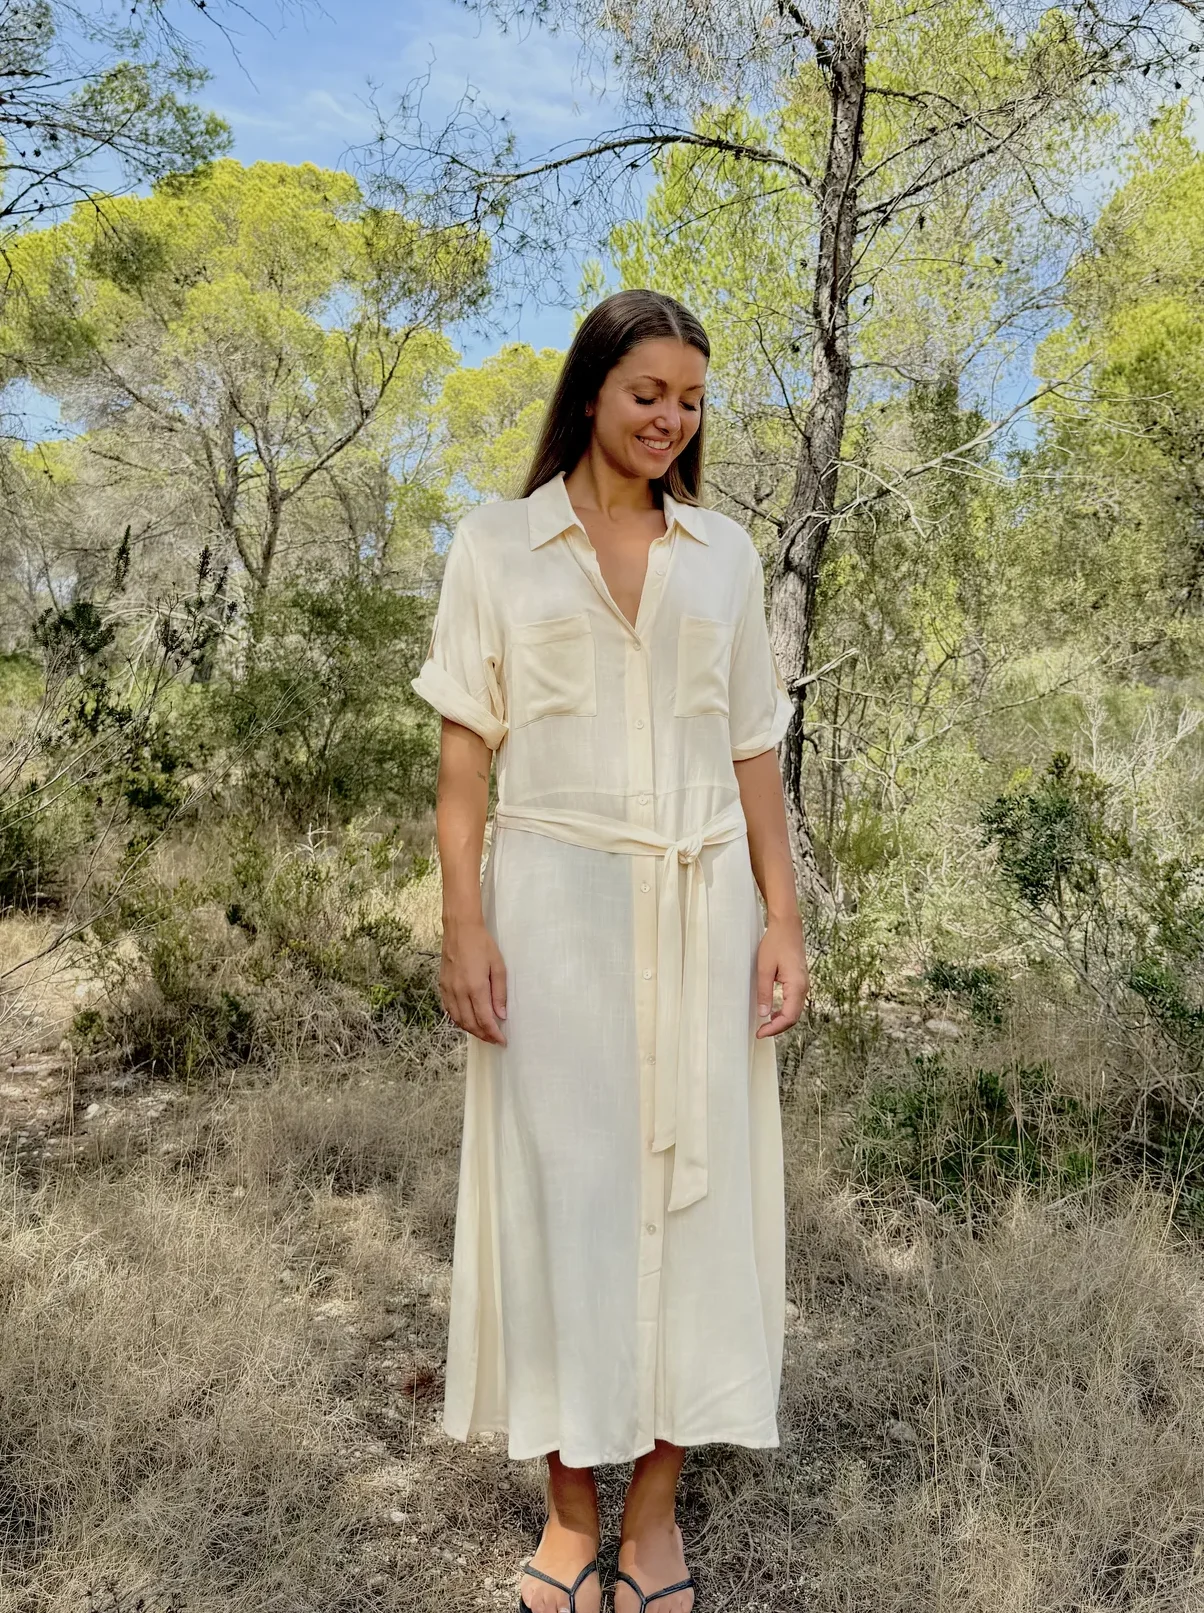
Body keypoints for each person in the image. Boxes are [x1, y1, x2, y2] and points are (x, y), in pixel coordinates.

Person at [411, 288, 809, 1613]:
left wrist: (783, 919)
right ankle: (569, 1512)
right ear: (591, 391)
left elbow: (753, 752)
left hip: (705, 911)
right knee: (563, 1200)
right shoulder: (497, 546)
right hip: (551, 911)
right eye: (649, 392)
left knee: (699, 1209)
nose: (671, 418)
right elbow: (465, 757)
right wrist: (463, 921)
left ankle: (653, 1516)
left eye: (691, 399)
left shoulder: (724, 556)